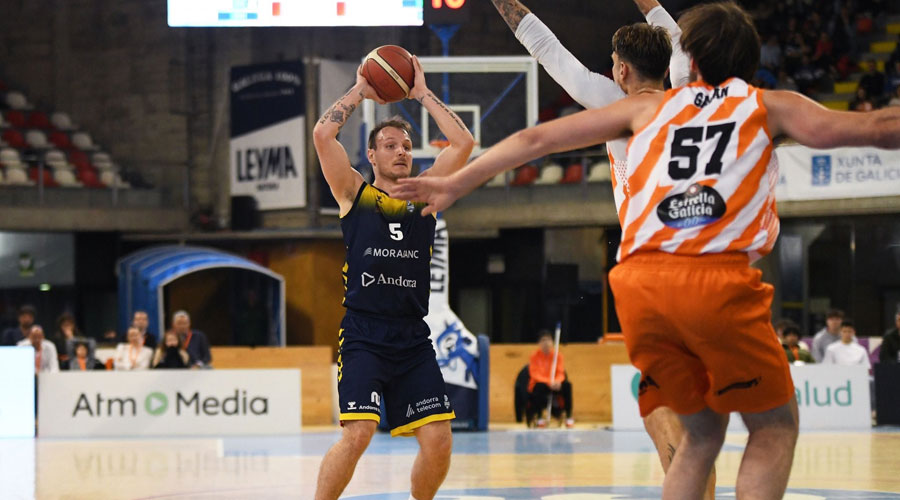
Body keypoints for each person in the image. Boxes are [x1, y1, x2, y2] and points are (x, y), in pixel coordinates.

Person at [395, 3, 900, 497]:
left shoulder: (644, 107)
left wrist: (456, 184)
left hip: (640, 279)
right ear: (749, 62)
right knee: (773, 426)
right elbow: (877, 128)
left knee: (699, 438)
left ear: (691, 63)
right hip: (714, 276)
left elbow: (534, 138)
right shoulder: (767, 105)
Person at [489, 0, 711, 495]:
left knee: (662, 409)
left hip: (652, 268)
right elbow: (674, 37)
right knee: (695, 418)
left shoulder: (612, 105)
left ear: (621, 69)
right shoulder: (693, 96)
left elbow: (548, 50)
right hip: (705, 261)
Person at [312, 53, 474, 500]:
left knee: (440, 440)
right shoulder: (352, 193)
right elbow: (323, 133)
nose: (400, 151)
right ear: (371, 154)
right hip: (364, 334)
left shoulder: (426, 195)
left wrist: (421, 92)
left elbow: (462, 144)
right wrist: (362, 90)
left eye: (405, 146)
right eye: (390, 145)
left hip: (411, 339)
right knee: (359, 431)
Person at [527, 329, 573, 428]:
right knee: (539, 387)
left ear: (552, 342)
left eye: (548, 340)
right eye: (543, 340)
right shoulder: (534, 356)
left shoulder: (558, 356)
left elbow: (561, 372)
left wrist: (558, 381)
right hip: (541, 384)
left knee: (567, 385)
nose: (546, 343)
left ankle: (569, 417)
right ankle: (540, 418)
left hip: (555, 384)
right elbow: (534, 374)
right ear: (539, 343)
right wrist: (549, 382)